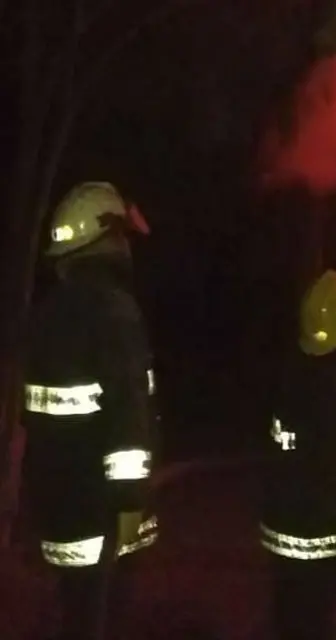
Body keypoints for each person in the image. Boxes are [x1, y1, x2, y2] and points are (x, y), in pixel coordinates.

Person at [20, 181, 158, 640]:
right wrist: (130, 503)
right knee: (101, 618)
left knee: (73, 613)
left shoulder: (47, 315)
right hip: (102, 512)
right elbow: (128, 417)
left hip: (57, 508)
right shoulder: (114, 312)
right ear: (105, 239)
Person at [261, 270, 336, 640]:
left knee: (286, 615)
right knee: (315, 619)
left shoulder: (291, 367)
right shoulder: (334, 385)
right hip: (318, 528)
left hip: (281, 523)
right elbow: (331, 462)